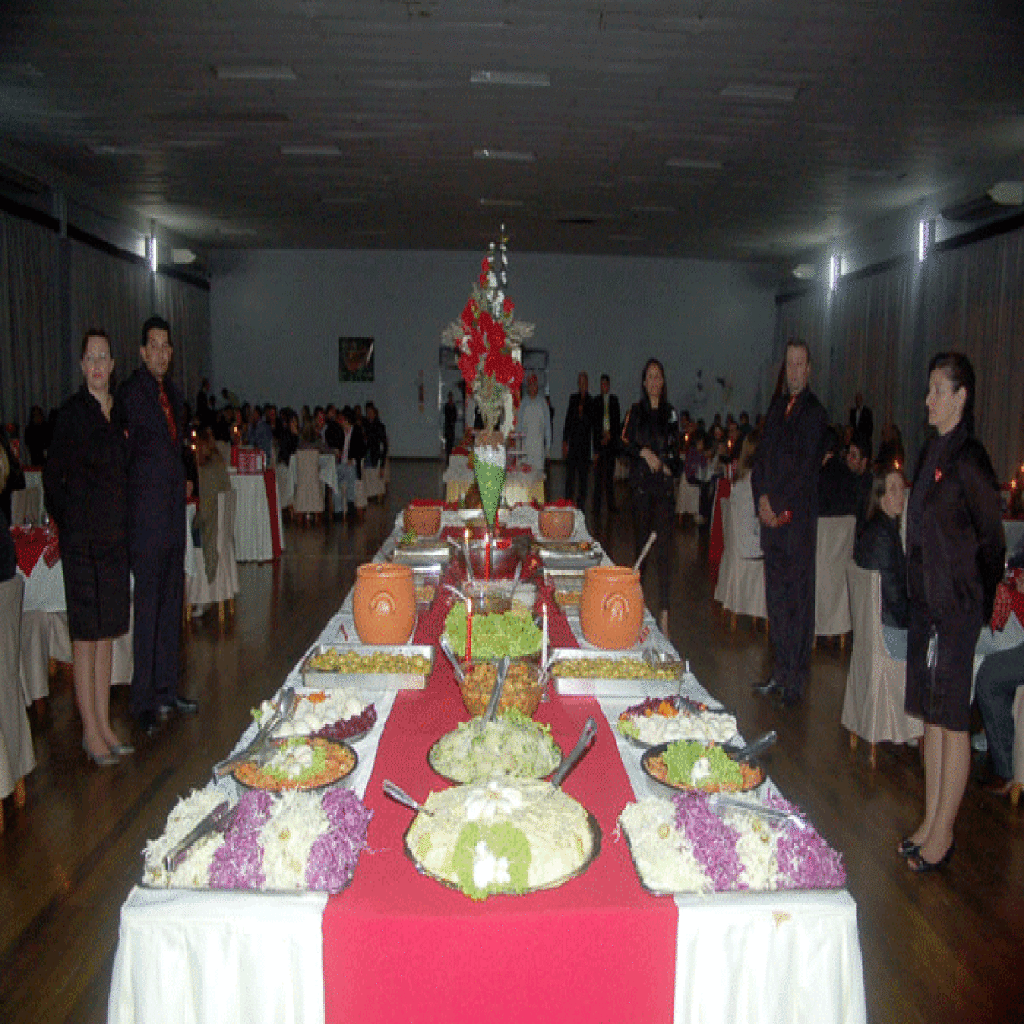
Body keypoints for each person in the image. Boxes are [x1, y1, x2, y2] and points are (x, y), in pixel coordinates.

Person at [901, 352, 1004, 871]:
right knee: (932, 718)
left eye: (937, 391)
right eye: (929, 390)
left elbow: (992, 541)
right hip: (927, 606)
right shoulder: (930, 451)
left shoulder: (971, 458)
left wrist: (973, 598)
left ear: (960, 397)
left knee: (953, 721)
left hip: (957, 609)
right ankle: (929, 819)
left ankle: (943, 834)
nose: (928, 400)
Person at [43, 330, 133, 764]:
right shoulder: (71, 415)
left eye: (104, 357)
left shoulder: (120, 414)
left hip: (115, 540)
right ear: (82, 366)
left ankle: (104, 724)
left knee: (106, 633)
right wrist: (73, 524)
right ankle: (89, 731)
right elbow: (52, 480)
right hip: (82, 543)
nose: (97, 365)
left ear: (113, 365)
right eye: (90, 358)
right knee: (86, 636)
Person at [115, 315, 198, 735]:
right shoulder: (131, 394)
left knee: (170, 603)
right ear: (142, 351)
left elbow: (177, 451)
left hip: (171, 514)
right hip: (145, 517)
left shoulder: (175, 396)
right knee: (147, 607)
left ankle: (167, 689)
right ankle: (143, 699)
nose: (162, 353)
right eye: (154, 346)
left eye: (167, 346)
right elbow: (125, 458)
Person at [751, 340, 829, 707]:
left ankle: (795, 681)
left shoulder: (815, 413)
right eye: (790, 364)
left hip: (795, 525)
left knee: (797, 603)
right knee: (777, 603)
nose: (794, 371)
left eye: (800, 364)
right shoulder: (776, 407)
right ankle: (780, 671)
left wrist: (778, 504)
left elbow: (805, 469)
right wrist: (761, 500)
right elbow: (761, 459)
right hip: (772, 524)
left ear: (809, 369)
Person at [621, 358, 680, 636]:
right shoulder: (635, 411)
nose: (655, 381)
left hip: (663, 490)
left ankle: (665, 614)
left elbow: (677, 451)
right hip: (642, 489)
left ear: (663, 382)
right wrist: (643, 452)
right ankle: (638, 610)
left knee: (665, 552)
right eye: (650, 377)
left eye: (659, 376)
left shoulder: (671, 413)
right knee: (642, 550)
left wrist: (669, 466)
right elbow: (623, 442)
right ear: (644, 383)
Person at [854, 463, 909, 659]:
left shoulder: (879, 527)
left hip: (880, 626)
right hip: (889, 632)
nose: (900, 495)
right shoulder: (882, 536)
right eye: (893, 489)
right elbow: (893, 595)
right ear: (880, 497)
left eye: (902, 489)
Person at [192, 427, 232, 592]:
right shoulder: (219, 463)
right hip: (222, 529)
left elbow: (205, 512)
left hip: (211, 531)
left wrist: (193, 522)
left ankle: (195, 589)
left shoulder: (206, 471)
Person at [562, 372, 595, 508]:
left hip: (585, 445)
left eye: (584, 382)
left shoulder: (591, 401)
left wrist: (582, 413)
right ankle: (568, 502)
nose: (582, 384)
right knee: (570, 476)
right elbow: (568, 421)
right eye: (580, 382)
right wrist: (565, 441)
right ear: (578, 384)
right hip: (573, 444)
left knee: (583, 478)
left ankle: (581, 505)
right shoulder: (573, 398)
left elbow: (592, 424)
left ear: (587, 384)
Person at [592, 373, 621, 516]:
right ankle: (596, 506)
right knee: (598, 477)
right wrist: (598, 442)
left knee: (609, 475)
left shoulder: (614, 400)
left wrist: (610, 435)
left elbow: (617, 422)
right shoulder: (596, 401)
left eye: (605, 384)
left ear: (609, 386)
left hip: (611, 444)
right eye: (601, 384)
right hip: (600, 442)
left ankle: (611, 505)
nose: (603, 386)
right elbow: (594, 424)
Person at [517, 373, 550, 484]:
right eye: (530, 385)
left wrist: (548, 447)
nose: (532, 387)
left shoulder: (543, 403)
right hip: (525, 447)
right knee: (525, 478)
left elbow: (547, 426)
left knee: (538, 478)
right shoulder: (523, 403)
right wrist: (518, 446)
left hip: (538, 448)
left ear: (537, 386)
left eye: (534, 385)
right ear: (527, 387)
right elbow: (519, 426)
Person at [443, 391, 459, 462]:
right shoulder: (446, 406)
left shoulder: (454, 406)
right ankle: (447, 458)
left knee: (452, 442)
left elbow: (456, 416)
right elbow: (446, 415)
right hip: (447, 426)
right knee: (447, 443)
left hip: (452, 427)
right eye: (450, 397)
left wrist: (453, 422)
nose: (451, 398)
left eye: (451, 397)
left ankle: (451, 457)